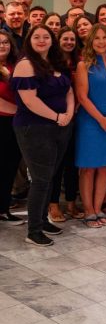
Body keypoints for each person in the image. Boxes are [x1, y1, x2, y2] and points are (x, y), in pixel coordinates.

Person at [11, 25, 75, 245]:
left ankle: (42, 220)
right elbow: (30, 101)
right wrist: (57, 117)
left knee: (49, 176)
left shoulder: (56, 62)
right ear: (29, 40)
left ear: (52, 40)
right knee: (40, 179)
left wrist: (68, 114)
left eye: (45, 37)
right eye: (36, 37)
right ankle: (33, 230)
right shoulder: (26, 65)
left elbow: (69, 90)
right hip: (34, 128)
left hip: (60, 127)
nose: (41, 40)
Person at [75, 24, 106, 228]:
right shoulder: (83, 65)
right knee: (88, 169)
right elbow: (82, 97)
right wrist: (101, 119)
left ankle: (97, 208)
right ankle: (88, 211)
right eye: (97, 38)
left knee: (105, 168)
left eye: (105, 37)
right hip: (90, 122)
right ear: (90, 41)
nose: (101, 41)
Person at [49, 26, 84, 221]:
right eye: (65, 39)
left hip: (76, 116)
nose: (69, 42)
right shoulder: (51, 62)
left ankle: (71, 202)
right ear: (58, 40)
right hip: (56, 117)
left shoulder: (79, 62)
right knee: (57, 162)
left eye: (72, 39)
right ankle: (53, 204)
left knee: (72, 161)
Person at [0, 31, 23, 225]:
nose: (2, 46)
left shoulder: (15, 65)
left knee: (10, 167)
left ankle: (3, 208)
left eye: (6, 42)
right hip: (2, 121)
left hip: (15, 125)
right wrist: (23, 110)